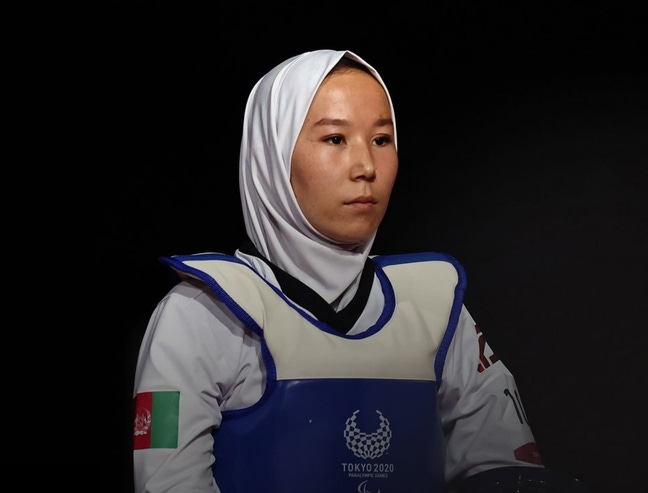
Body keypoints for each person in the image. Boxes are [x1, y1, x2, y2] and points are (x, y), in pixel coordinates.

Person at [132, 49, 588, 493]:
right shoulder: (202, 314)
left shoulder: (437, 307)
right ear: (271, 155)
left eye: (381, 140)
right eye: (334, 139)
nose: (366, 167)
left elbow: (505, 472)